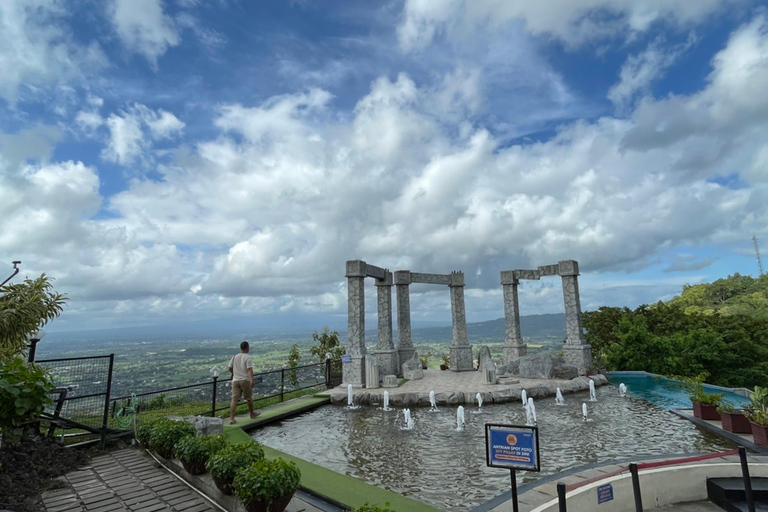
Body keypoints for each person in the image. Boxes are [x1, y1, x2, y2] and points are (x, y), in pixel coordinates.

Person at [228, 341, 260, 424]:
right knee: (248, 398)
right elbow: (249, 369)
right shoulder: (247, 357)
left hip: (235, 380)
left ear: (241, 348)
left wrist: (233, 373)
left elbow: (230, 367)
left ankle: (232, 418)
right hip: (245, 380)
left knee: (234, 399)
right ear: (248, 348)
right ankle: (252, 414)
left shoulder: (235, 356)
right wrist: (252, 380)